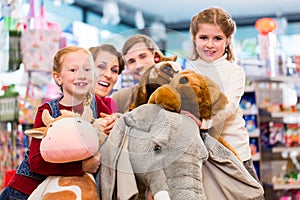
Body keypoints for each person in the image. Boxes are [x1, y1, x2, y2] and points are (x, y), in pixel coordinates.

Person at [0, 46, 113, 199]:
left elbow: (111, 134)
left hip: (68, 188)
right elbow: (36, 162)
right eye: (73, 70)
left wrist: (114, 122)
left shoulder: (96, 104)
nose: (82, 75)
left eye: (87, 70)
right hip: (27, 190)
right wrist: (79, 167)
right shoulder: (47, 111)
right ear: (58, 77)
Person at [188, 7, 260, 181]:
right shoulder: (190, 70)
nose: (210, 44)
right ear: (194, 39)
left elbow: (228, 106)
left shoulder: (234, 71)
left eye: (217, 38)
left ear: (227, 41)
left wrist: (204, 122)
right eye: (204, 37)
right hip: (204, 155)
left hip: (235, 152)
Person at [110, 34, 160, 113]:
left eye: (143, 56)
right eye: (131, 61)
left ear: (157, 57)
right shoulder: (120, 98)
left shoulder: (180, 90)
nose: (138, 65)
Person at [89, 44, 124, 113]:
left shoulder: (110, 104)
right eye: (101, 67)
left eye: (114, 70)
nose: (108, 75)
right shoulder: (68, 103)